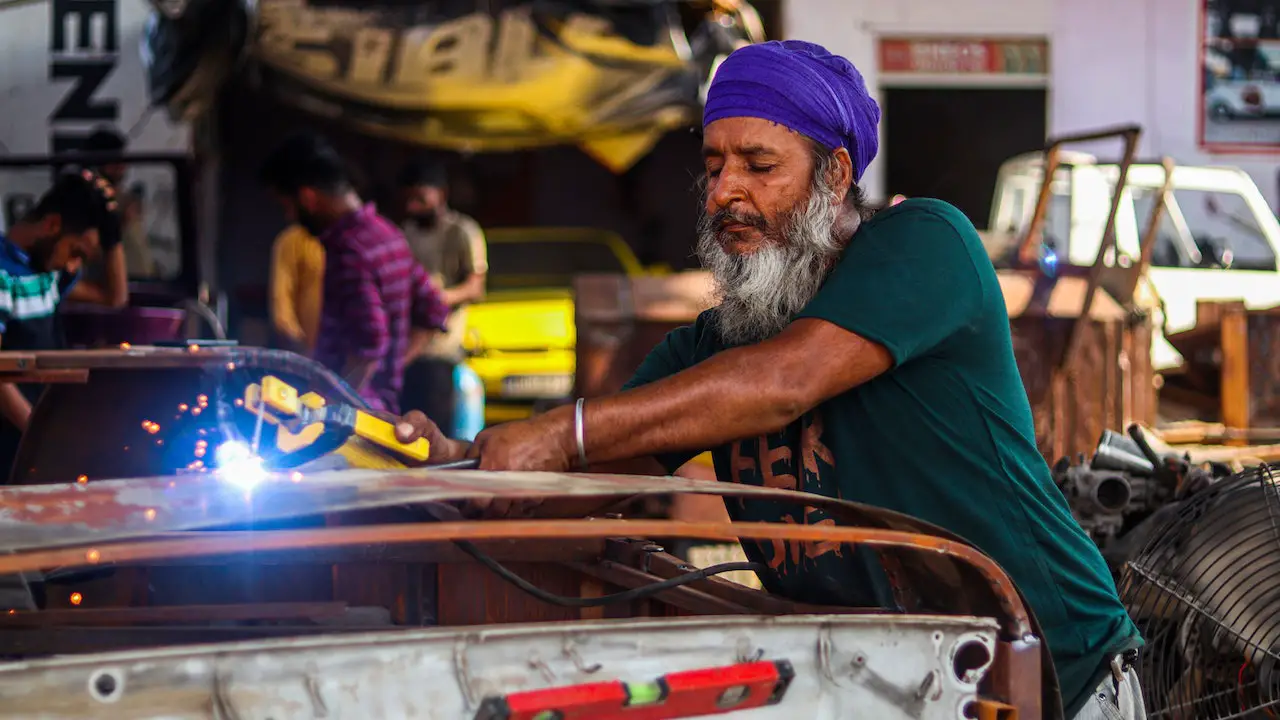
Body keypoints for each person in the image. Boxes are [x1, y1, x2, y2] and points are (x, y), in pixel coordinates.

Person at [394, 40, 1145, 720]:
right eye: (715, 165)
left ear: (836, 174)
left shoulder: (925, 245)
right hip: (897, 691)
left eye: (759, 165)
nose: (725, 191)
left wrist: (561, 431)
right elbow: (582, 479)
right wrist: (458, 464)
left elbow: (788, 382)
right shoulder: (712, 346)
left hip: (1056, 679)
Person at [258, 133, 450, 412]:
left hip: (354, 425)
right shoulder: (387, 234)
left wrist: (331, 407)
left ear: (308, 197)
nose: (290, 217)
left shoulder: (349, 250)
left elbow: (369, 345)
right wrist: (394, 365)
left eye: (288, 206)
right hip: (383, 409)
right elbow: (434, 310)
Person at [0, 170, 120, 481]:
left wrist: (112, 233)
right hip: (12, 445)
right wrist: (40, 434)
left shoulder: (44, 274)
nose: (72, 266)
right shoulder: (4, 276)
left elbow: (114, 297)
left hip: (39, 438)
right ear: (52, 225)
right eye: (75, 251)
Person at [396, 158, 487, 435]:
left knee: (438, 435)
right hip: (407, 353)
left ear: (442, 195)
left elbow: (476, 287)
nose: (414, 207)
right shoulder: (405, 232)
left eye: (421, 199)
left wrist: (435, 300)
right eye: (409, 199)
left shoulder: (463, 232)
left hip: (442, 351)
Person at [269, 223, 325, 354]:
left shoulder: (354, 241)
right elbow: (282, 313)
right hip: (308, 360)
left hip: (356, 361)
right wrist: (305, 356)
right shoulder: (294, 241)